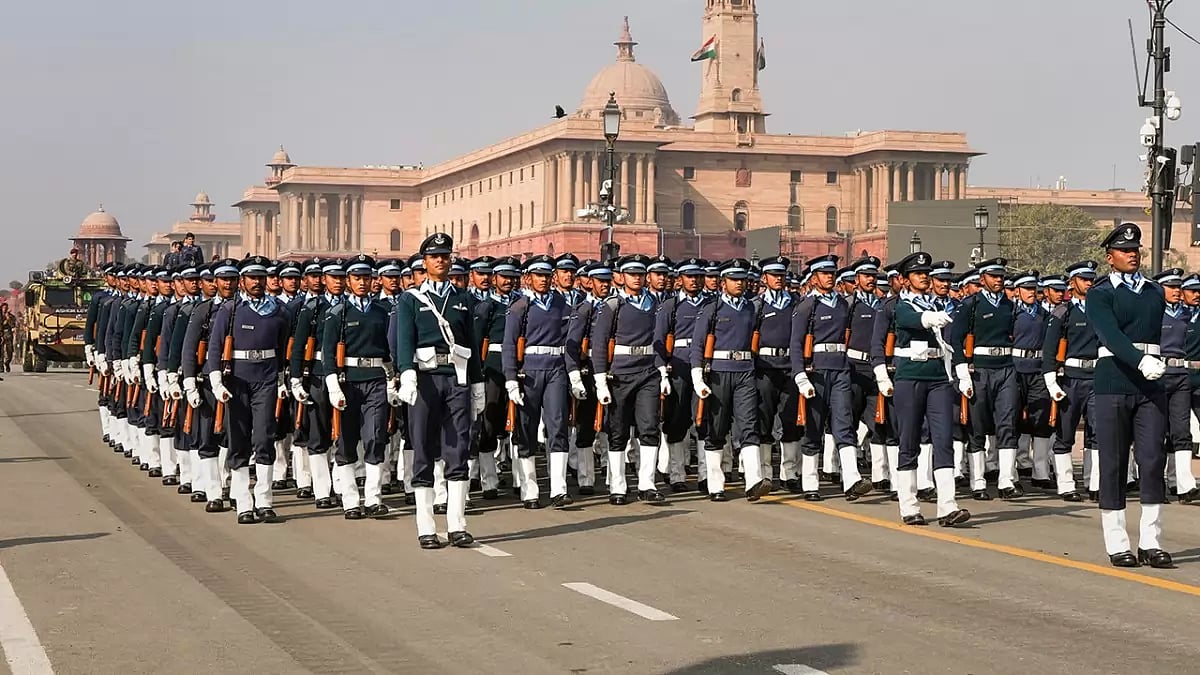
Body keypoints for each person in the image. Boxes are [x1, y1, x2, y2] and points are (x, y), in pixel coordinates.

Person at [1088, 222, 1171, 568]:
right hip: (1115, 382)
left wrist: (1153, 364)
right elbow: (1110, 336)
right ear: (1110, 257)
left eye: (1135, 250)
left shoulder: (1154, 291)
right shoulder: (1101, 293)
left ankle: (1150, 541)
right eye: (1125, 251)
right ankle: (1117, 541)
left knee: (1153, 461)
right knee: (1114, 463)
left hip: (1150, 386)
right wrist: (1140, 361)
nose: (1132, 255)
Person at [394, 233, 485, 549]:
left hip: (456, 377)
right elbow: (404, 340)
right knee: (423, 447)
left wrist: (477, 384)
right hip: (425, 380)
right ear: (425, 262)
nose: (441, 261)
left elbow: (471, 343)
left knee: (458, 447)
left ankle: (458, 524)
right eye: (435, 256)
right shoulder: (411, 299)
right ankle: (426, 527)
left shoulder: (462, 298)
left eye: (445, 256)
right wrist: (406, 373)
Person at [886, 251, 970, 527]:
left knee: (943, 438)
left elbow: (952, 340)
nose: (924, 277)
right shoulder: (901, 304)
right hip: (910, 376)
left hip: (937, 377)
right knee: (909, 440)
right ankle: (909, 505)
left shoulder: (939, 303)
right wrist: (934, 319)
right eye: (918, 274)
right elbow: (911, 320)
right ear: (906, 280)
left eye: (926, 273)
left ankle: (948, 506)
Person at [207, 256, 291, 524]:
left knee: (265, 436)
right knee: (239, 438)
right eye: (252, 277)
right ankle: (243, 501)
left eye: (261, 277)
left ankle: (264, 500)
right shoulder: (230, 310)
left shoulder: (278, 310)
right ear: (242, 281)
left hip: (265, 378)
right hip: (238, 380)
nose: (257, 282)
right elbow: (215, 348)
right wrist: (217, 381)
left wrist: (280, 379)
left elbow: (282, 345)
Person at [691, 258, 771, 502]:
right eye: (734, 279)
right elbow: (697, 344)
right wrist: (698, 377)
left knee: (749, 425)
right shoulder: (711, 309)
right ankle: (716, 484)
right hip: (718, 372)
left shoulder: (751, 308)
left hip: (745, 370)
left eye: (742, 279)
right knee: (717, 428)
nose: (739, 283)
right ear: (723, 282)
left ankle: (754, 481)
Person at [323, 254, 395, 520]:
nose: (362, 282)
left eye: (366, 277)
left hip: (376, 378)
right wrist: (332, 384)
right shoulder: (337, 313)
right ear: (349, 281)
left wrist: (392, 379)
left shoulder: (383, 312)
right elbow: (328, 352)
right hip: (348, 381)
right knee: (347, 440)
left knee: (376, 436)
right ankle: (351, 499)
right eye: (357, 278)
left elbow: (390, 349)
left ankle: (374, 497)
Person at [592, 254, 667, 505]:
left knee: (649, 427)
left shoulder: (654, 303)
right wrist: (601, 379)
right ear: (621, 276)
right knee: (618, 431)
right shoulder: (613, 305)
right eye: (631, 273)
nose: (636, 278)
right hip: (620, 374)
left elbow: (658, 341)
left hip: (647, 372)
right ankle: (618, 485)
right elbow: (600, 343)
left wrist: (662, 371)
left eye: (640, 273)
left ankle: (647, 483)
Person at [504, 255, 574, 507]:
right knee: (526, 427)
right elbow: (510, 345)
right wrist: (511, 378)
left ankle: (558, 488)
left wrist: (572, 372)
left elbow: (569, 338)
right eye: (538, 275)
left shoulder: (560, 303)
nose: (543, 280)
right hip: (529, 371)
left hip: (556, 368)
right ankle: (529, 487)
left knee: (557, 424)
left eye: (546, 275)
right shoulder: (520, 307)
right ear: (528, 278)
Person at [951, 257, 1022, 500]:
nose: (999, 280)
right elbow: (955, 340)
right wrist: (962, 372)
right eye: (994, 276)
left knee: (1007, 423)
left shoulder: (1010, 305)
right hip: (979, 369)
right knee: (977, 426)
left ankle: (1006, 480)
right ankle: (978, 481)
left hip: (1006, 368)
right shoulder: (970, 305)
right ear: (982, 279)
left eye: (1001, 276)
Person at [0, 303, 15, 372]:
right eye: (4, 308)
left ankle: (7, 362)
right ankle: (1, 366)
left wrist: (9, 319)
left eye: (6, 307)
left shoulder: (11, 316)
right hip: (1, 334)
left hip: (8, 334)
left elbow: (13, 325)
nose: (5, 309)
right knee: (1, 352)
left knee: (10, 351)